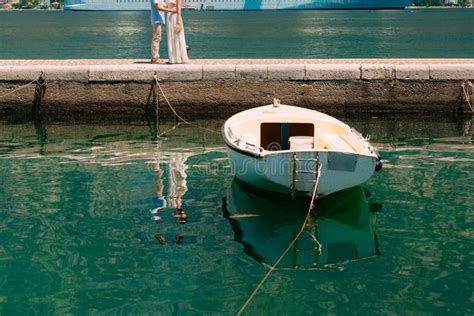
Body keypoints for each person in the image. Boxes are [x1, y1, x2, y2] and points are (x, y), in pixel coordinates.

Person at [150, 0, 176, 64]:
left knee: (157, 38)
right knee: (156, 38)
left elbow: (165, 6)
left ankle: (155, 57)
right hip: (156, 20)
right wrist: (172, 10)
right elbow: (158, 7)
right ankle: (155, 58)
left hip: (158, 20)